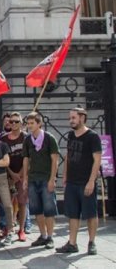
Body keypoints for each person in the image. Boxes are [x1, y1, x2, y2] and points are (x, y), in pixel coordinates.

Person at [57, 108, 102, 255]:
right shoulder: (71, 135)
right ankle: (72, 243)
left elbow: (97, 160)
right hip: (72, 182)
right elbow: (68, 156)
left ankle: (92, 242)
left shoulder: (92, 136)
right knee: (72, 214)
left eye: (74, 118)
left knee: (90, 214)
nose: (71, 120)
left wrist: (91, 181)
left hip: (86, 182)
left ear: (82, 118)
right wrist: (65, 175)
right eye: (70, 118)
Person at [22, 112, 59, 249]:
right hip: (33, 178)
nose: (30, 126)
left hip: (46, 178)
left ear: (39, 123)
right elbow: (26, 159)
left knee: (49, 209)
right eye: (28, 123)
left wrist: (52, 179)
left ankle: (50, 236)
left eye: (32, 123)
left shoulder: (49, 138)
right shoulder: (27, 140)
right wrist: (25, 177)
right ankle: (42, 235)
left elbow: (54, 159)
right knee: (37, 209)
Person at [0, 112, 30, 241]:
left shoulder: (26, 138)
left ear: (21, 123)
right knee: (8, 202)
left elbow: (29, 157)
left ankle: (22, 229)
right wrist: (11, 173)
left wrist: (21, 174)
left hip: (23, 175)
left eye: (16, 121)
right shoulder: (4, 139)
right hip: (8, 174)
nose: (12, 124)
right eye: (11, 121)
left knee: (22, 202)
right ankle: (9, 226)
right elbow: (2, 157)